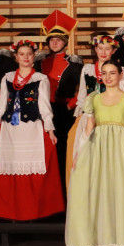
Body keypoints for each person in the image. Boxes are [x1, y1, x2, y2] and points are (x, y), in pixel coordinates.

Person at [65, 60, 124, 246]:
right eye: (105, 73)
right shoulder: (94, 98)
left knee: (121, 193)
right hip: (98, 149)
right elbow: (88, 130)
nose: (109, 77)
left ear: (120, 75)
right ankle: (106, 245)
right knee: (102, 194)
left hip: (122, 149)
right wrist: (79, 153)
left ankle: (123, 245)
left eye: (113, 73)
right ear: (100, 76)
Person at [0, 40, 65, 221]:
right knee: (9, 164)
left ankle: (35, 210)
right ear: (16, 57)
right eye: (22, 54)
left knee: (35, 168)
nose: (26, 57)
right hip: (10, 129)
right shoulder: (7, 77)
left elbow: (44, 106)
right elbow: (1, 105)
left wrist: (50, 130)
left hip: (31, 128)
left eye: (29, 54)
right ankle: (10, 210)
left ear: (34, 56)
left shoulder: (41, 79)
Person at [68, 34, 124, 189]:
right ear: (95, 49)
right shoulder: (87, 69)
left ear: (113, 51)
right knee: (80, 150)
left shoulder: (119, 71)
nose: (103, 52)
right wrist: (79, 116)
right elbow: (82, 94)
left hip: (108, 118)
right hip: (88, 117)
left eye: (107, 49)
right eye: (100, 48)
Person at [36, 10, 83, 185]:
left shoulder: (75, 64)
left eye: (59, 39)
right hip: (41, 112)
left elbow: (84, 89)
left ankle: (63, 188)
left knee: (62, 150)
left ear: (65, 42)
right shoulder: (39, 63)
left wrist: (71, 105)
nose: (55, 42)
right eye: (52, 39)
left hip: (63, 112)